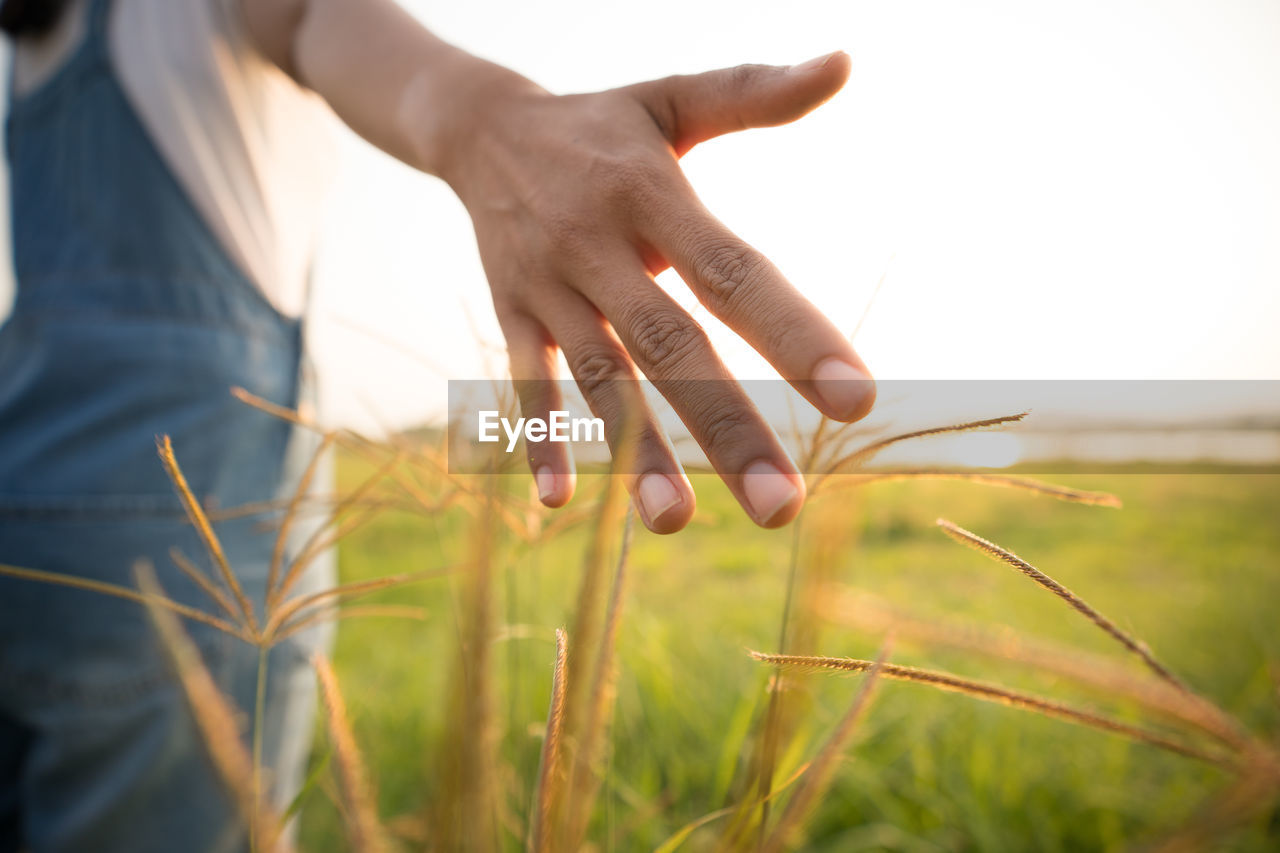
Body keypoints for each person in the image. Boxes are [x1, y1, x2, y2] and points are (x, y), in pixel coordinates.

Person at [0, 0, 875, 849]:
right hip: (175, 555)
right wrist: (502, 134)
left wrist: (497, 125)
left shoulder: (30, 49)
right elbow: (317, 19)